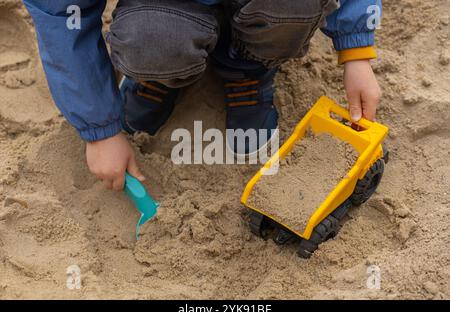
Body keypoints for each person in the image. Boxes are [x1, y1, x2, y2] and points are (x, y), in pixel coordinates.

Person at [23, 0, 382, 191]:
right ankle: (164, 74)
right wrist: (99, 127)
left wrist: (356, 49)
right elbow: (61, 13)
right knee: (153, 42)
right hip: (165, 7)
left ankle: (247, 67)